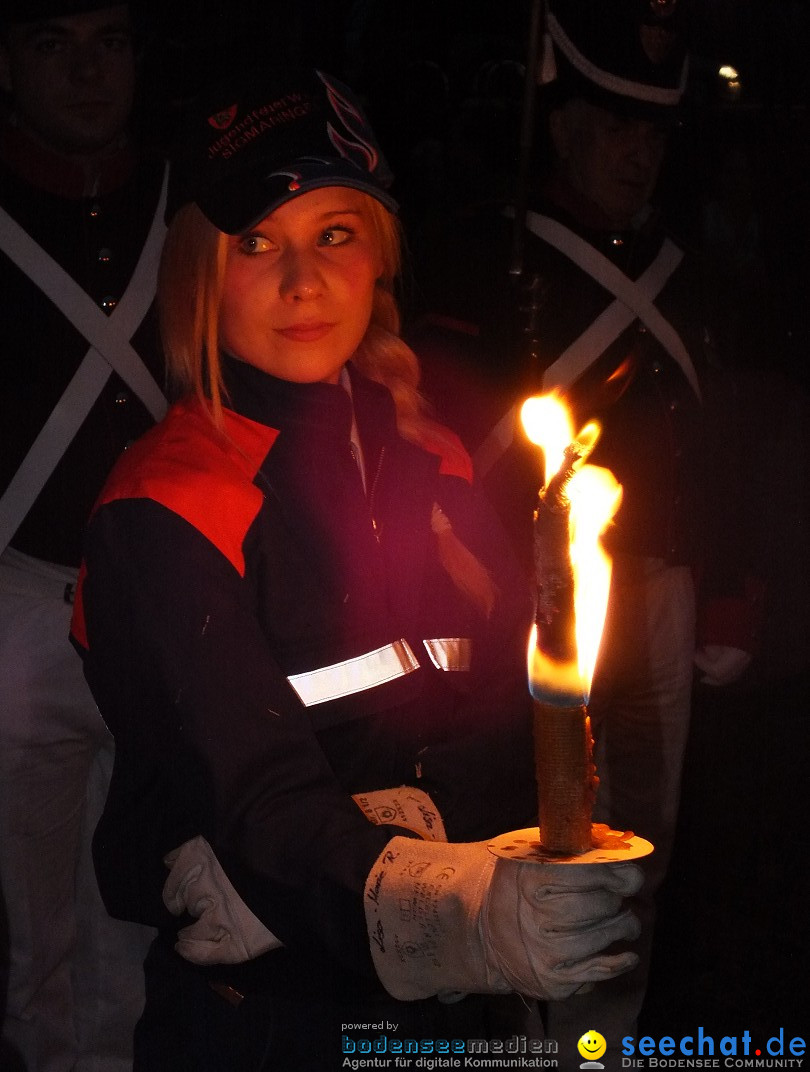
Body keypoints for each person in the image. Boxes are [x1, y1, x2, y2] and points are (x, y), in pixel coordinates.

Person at [68, 66, 645, 1071]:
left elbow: (518, 721)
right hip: (267, 1019)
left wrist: (415, 821)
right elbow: (251, 796)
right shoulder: (163, 507)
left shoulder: (432, 459)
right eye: (258, 245)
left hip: (445, 1013)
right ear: (199, 274)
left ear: (380, 257)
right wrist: (442, 904)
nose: (304, 281)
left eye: (335, 233)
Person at [406, 0, 761, 1060]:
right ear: (561, 129)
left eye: (652, 133)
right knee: (524, 818)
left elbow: (715, 447)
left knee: (638, 833)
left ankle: (608, 1035)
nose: (637, 153)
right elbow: (442, 451)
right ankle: (523, 1027)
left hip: (658, 588)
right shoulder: (491, 263)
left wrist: (730, 583)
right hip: (525, 591)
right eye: (614, 126)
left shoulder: (682, 276)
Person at [0, 2, 166, 1068]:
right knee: (29, 925)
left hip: (160, 604)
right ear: (7, 62)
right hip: (17, 599)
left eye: (110, 40)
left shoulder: (181, 200)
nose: (88, 70)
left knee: (144, 905)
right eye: (54, 43)